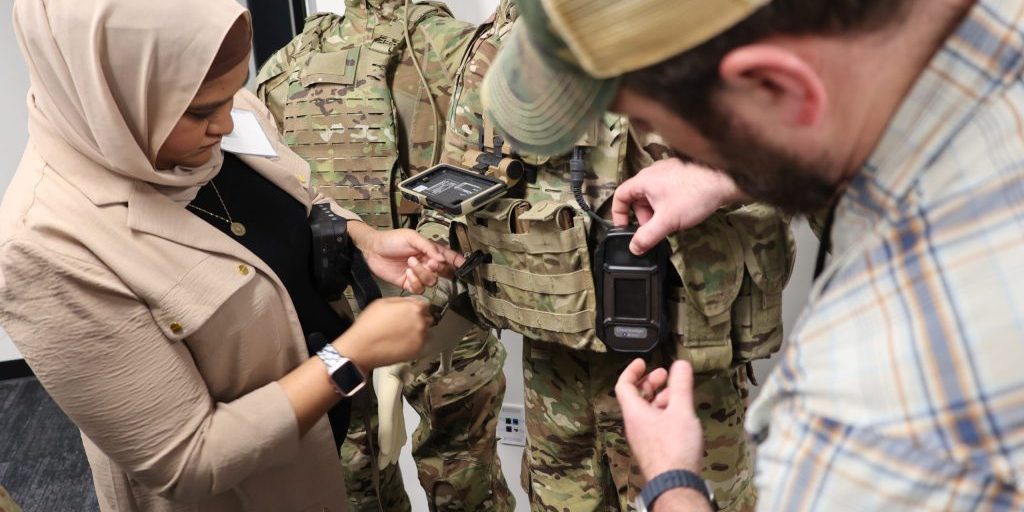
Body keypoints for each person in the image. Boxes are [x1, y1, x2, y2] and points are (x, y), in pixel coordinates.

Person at [484, 0, 1024, 509]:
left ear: (773, 85)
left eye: (651, 122)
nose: (649, 136)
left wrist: (673, 480)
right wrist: (724, 175)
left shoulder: (865, 413)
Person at [0, 1, 462, 511]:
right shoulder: (45, 248)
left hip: (318, 455)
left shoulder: (207, 100)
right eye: (200, 111)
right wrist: (348, 359)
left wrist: (360, 237)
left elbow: (292, 193)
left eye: (233, 91)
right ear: (112, 93)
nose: (226, 120)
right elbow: (189, 461)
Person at [424, 1, 793, 510]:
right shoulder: (512, 39)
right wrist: (430, 282)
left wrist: (719, 179)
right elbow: (460, 183)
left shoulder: (719, 19)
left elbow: (838, 161)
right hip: (557, 374)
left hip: (686, 373)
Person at [255, 2, 513, 509]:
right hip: (440, 299)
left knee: (356, 469)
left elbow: (278, 189)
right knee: (462, 469)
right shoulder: (464, 47)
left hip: (334, 313)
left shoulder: (288, 60)